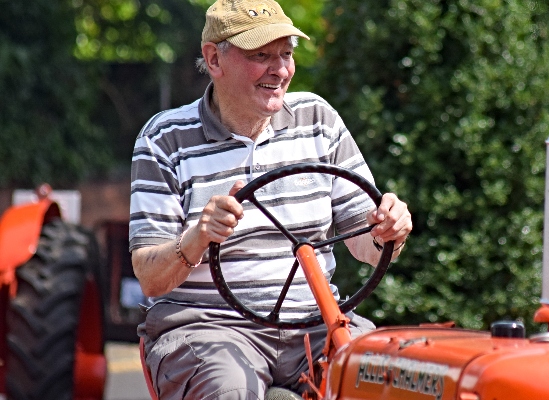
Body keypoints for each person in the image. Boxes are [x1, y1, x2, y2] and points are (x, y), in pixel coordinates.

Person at [129, 0, 412, 399]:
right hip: (209, 327)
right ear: (214, 59)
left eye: (286, 53)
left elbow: (366, 243)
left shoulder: (318, 118)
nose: (279, 69)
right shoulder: (164, 139)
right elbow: (149, 275)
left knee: (389, 379)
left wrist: (389, 231)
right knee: (231, 391)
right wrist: (198, 237)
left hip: (315, 323)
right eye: (261, 55)